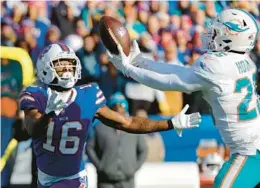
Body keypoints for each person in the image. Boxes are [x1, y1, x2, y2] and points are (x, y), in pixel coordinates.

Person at [108, 9, 260, 188]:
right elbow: (180, 72)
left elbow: (171, 81)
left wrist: (129, 69)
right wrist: (141, 62)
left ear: (232, 36)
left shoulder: (216, 64)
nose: (211, 33)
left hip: (248, 151)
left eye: (218, 30)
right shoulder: (245, 61)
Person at [19, 43, 201, 188]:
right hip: (47, 177)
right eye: (61, 65)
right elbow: (32, 130)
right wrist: (49, 114)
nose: (67, 70)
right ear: (45, 68)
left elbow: (127, 123)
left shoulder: (87, 95)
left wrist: (170, 123)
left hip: (76, 177)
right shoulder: (36, 94)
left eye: (70, 64)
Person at [86, 92, 147, 188]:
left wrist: (133, 168)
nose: (118, 108)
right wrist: (100, 166)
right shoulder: (99, 127)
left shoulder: (133, 128)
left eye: (121, 105)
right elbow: (89, 147)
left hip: (128, 180)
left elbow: (143, 150)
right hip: (105, 180)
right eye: (115, 105)